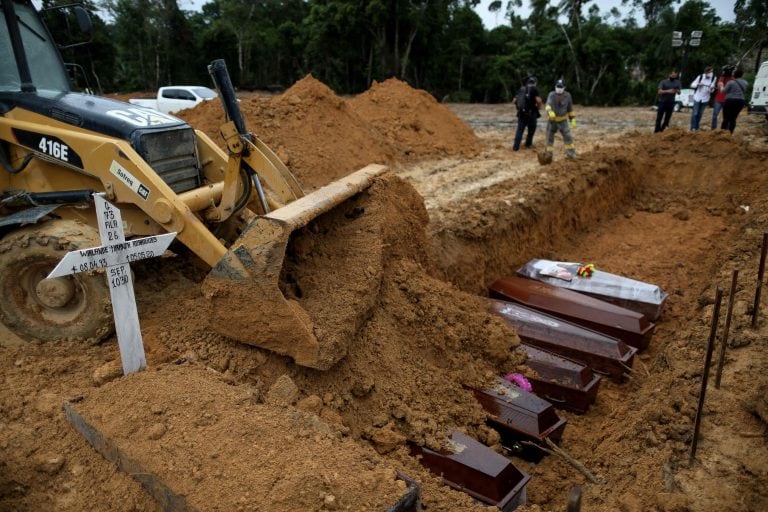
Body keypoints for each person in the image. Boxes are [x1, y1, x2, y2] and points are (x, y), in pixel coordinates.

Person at [544, 79, 576, 160]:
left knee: (568, 137)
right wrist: (550, 111)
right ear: (555, 87)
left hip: (563, 121)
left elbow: (570, 109)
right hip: (552, 121)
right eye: (557, 86)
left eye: (561, 87)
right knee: (549, 139)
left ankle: (571, 155)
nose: (559, 88)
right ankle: (548, 155)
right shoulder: (551, 95)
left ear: (564, 87)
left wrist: (572, 119)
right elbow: (548, 105)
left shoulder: (568, 96)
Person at [513, 77, 542, 151]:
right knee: (531, 129)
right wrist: (538, 108)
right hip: (531, 113)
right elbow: (538, 101)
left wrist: (519, 107)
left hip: (521, 113)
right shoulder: (534, 89)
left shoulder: (521, 89)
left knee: (520, 130)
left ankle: (516, 147)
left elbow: (514, 100)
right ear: (535, 83)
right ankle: (528, 144)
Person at [721, 68, 749, 133]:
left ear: (734, 74)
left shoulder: (731, 82)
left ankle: (722, 133)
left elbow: (724, 91)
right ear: (742, 75)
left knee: (726, 118)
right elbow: (744, 90)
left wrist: (721, 86)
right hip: (740, 101)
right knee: (733, 119)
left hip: (730, 100)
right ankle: (730, 133)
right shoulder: (745, 82)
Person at [689, 66, 716, 131]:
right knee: (695, 113)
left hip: (705, 99)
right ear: (706, 72)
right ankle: (693, 127)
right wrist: (698, 84)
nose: (711, 73)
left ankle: (696, 127)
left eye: (712, 72)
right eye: (710, 72)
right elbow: (692, 84)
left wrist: (711, 88)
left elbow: (712, 89)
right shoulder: (700, 76)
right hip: (697, 97)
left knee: (700, 114)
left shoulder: (713, 78)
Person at [711, 65, 734, 129]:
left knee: (726, 117)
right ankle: (713, 129)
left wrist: (722, 86)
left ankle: (725, 130)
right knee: (715, 115)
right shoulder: (721, 77)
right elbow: (719, 86)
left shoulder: (732, 79)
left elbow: (728, 90)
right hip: (718, 99)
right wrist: (720, 85)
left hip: (727, 100)